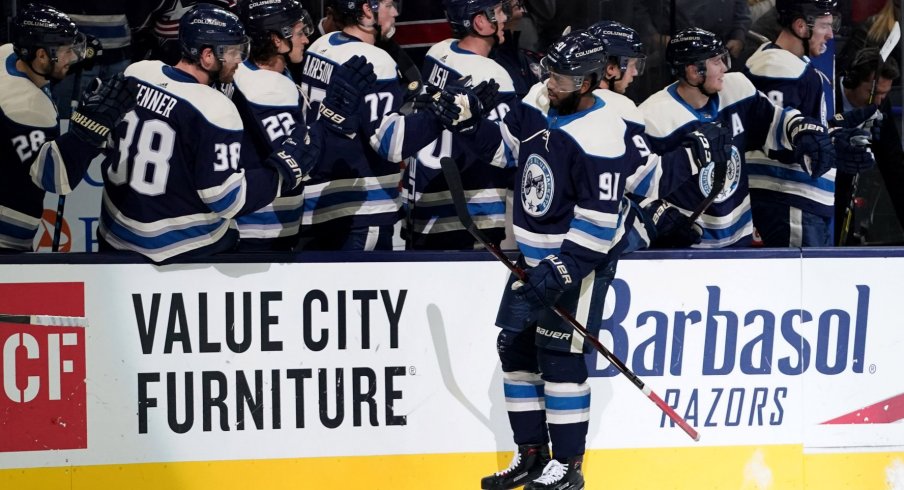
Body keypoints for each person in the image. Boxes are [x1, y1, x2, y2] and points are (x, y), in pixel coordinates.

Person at [444, 30, 731, 489]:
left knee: (559, 358)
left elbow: (599, 225)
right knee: (514, 351)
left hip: (575, 263)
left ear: (586, 82)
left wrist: (560, 271)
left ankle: (568, 467)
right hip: (531, 259)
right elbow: (506, 151)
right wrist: (467, 125)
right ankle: (531, 456)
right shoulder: (540, 103)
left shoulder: (601, 135)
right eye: (549, 72)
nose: (548, 81)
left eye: (559, 77)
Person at [96, 3, 368, 263]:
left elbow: (109, 144)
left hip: (115, 235)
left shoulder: (138, 72)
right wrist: (282, 172)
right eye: (233, 52)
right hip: (179, 249)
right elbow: (226, 198)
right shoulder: (215, 108)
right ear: (207, 56)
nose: (240, 60)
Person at [638, 27, 839, 248]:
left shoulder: (737, 89)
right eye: (716, 61)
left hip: (739, 244)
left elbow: (774, 121)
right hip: (689, 249)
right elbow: (633, 183)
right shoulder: (654, 118)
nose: (724, 67)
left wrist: (801, 130)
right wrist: (659, 215)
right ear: (694, 71)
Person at [296, 0, 451, 251]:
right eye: (389, 5)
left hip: (317, 201)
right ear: (367, 10)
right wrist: (439, 115)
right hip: (363, 208)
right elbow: (391, 145)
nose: (396, 12)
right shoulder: (375, 60)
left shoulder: (320, 45)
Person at [744, 0, 874, 246]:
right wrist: (828, 145)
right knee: (797, 283)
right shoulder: (776, 66)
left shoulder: (796, 65)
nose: (830, 33)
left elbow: (807, 132)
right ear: (801, 26)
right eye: (825, 25)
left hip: (802, 202)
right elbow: (777, 135)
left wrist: (837, 134)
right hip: (787, 199)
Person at [402, 0, 516, 250]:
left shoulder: (438, 52)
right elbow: (508, 152)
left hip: (424, 199)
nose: (505, 19)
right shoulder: (494, 75)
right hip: (473, 211)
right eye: (498, 12)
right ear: (480, 22)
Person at [0, 3, 90, 251]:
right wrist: (88, 132)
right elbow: (55, 177)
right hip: (7, 233)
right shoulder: (29, 109)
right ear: (40, 56)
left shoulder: (8, 53)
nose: (72, 57)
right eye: (65, 51)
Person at [231, 0, 316, 251]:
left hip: (247, 218)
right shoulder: (269, 89)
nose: (306, 40)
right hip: (264, 226)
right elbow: (297, 162)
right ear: (277, 41)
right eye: (300, 33)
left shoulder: (245, 71)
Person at [835, 48, 904, 244]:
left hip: (847, 198)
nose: (879, 101)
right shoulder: (825, 91)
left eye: (885, 93)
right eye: (873, 92)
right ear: (852, 81)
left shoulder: (880, 103)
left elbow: (894, 166)